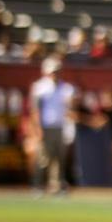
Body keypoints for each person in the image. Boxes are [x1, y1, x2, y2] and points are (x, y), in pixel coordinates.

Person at [28, 57, 74, 194]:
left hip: (59, 127)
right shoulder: (40, 88)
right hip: (45, 127)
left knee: (59, 158)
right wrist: (37, 128)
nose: (54, 74)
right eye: (52, 72)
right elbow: (35, 110)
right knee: (43, 158)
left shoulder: (65, 88)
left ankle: (57, 186)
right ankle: (37, 186)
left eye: (57, 71)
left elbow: (68, 109)